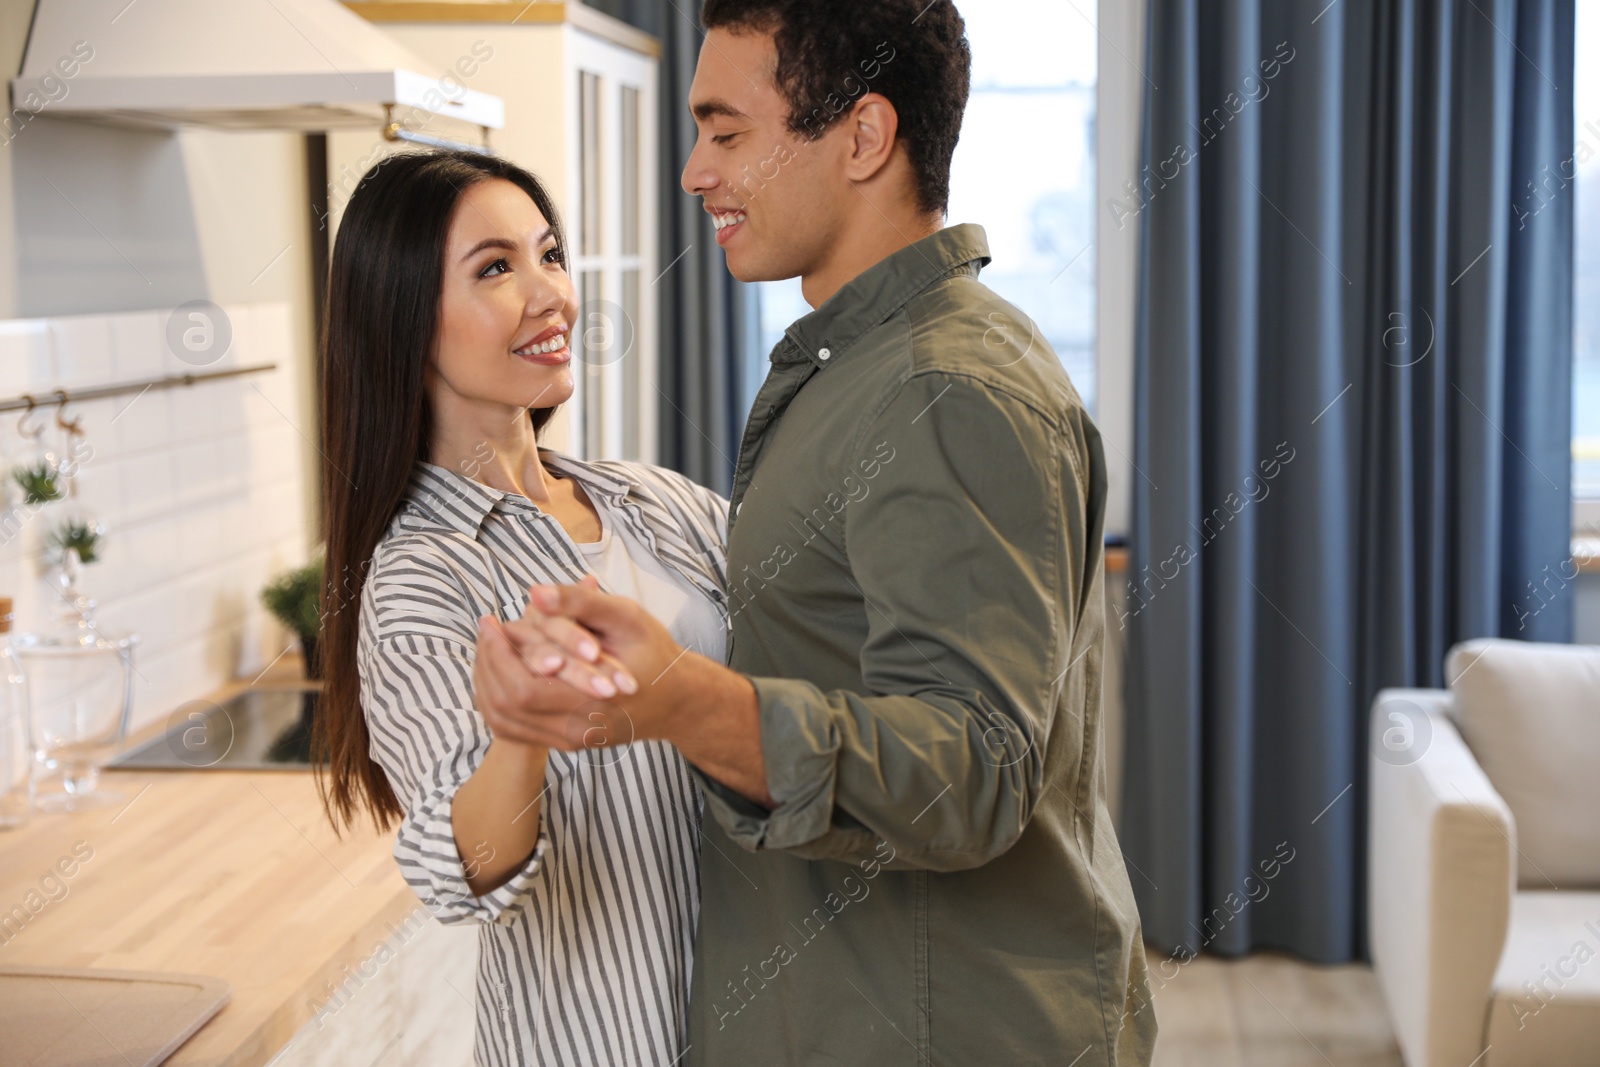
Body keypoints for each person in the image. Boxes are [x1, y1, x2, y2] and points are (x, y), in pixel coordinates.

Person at [479, 1, 1159, 1064]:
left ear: (862, 137)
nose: (696, 172)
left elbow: (971, 770)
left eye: (727, 132)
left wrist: (681, 700)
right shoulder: (873, 367)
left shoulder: (943, 390)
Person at [313, 149, 733, 1067]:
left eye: (549, 255)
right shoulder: (421, 578)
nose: (552, 295)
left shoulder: (651, 501)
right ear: (406, 322)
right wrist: (519, 731)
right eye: (496, 269)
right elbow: (463, 863)